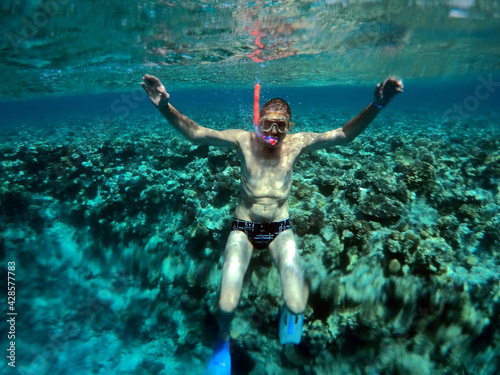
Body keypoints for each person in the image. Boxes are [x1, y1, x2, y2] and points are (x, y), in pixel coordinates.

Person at [141, 74, 403, 374]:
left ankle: (289, 311)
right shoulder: (243, 140)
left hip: (280, 229)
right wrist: (164, 107)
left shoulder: (296, 143)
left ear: (290, 126)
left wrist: (376, 105)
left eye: (281, 125)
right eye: (268, 123)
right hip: (244, 227)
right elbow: (197, 133)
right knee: (226, 306)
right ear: (258, 120)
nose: (274, 132)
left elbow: (344, 135)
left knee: (296, 304)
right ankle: (223, 341)